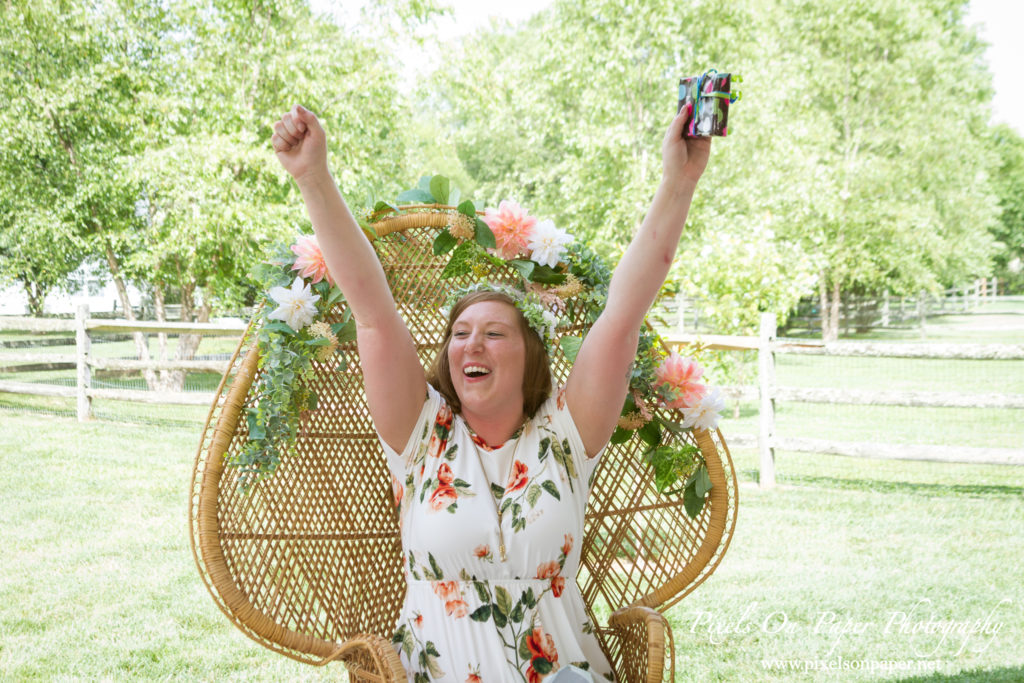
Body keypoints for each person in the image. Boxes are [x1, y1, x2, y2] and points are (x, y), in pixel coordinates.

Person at [271, 102, 710, 682]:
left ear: (530, 355)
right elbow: (372, 311)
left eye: (494, 333)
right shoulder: (421, 434)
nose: (470, 345)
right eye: (459, 334)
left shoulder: (564, 433)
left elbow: (623, 314)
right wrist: (313, 177)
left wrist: (678, 183)